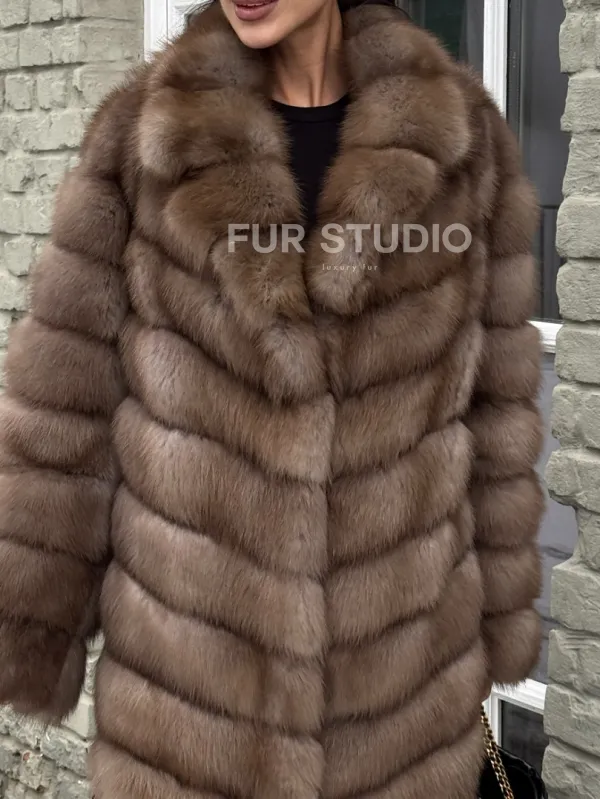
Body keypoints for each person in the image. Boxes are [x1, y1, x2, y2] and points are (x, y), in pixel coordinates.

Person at [0, 0, 544, 797]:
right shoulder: (144, 140)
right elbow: (64, 413)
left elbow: (497, 409)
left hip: (399, 708)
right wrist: (36, 628)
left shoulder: (462, 145)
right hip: (190, 712)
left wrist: (500, 618)